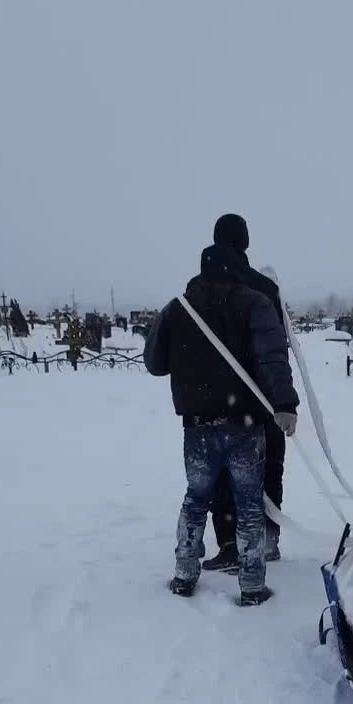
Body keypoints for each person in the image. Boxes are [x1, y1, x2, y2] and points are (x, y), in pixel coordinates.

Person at [143, 237, 299, 606]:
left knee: (196, 497)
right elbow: (271, 357)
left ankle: (184, 574)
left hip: (197, 426)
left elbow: (154, 362)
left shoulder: (177, 308)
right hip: (245, 424)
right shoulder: (255, 303)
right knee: (248, 502)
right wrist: (285, 403)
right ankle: (251, 585)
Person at [198, 215, 290, 573]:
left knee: (222, 470)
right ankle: (266, 538)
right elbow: (274, 347)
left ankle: (229, 542)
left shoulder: (199, 288)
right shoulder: (262, 289)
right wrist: (281, 396)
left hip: (215, 397)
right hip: (260, 394)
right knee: (267, 466)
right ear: (245, 242)